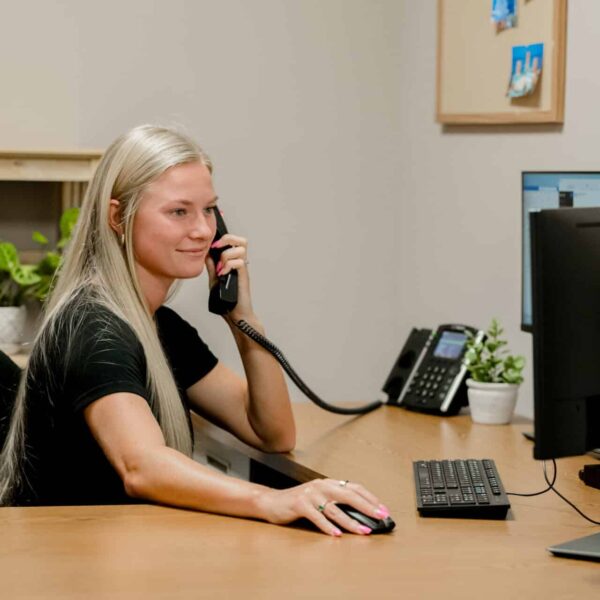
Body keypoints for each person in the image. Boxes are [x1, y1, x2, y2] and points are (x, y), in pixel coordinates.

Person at [0, 124, 391, 536]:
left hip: (121, 546)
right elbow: (142, 466)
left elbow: (273, 432)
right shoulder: (94, 329)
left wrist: (242, 319)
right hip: (65, 561)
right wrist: (271, 500)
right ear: (118, 217)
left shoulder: (159, 326)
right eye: (179, 211)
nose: (204, 230)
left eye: (209, 210)